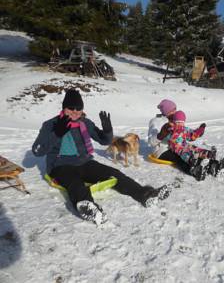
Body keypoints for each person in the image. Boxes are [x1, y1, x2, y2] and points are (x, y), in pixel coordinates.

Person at [32, 89, 170, 225]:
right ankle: (89, 208)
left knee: (114, 173)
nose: (75, 111)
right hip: (60, 165)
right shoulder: (51, 124)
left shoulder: (85, 123)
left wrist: (108, 130)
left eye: (78, 108)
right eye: (71, 108)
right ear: (64, 108)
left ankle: (145, 195)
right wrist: (56, 133)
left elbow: (104, 140)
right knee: (76, 184)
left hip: (84, 162)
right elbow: (38, 150)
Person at [167, 110, 224, 181]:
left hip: (186, 146)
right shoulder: (172, 131)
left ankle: (214, 164)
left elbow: (192, 135)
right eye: (178, 122)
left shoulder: (184, 129)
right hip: (179, 149)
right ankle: (196, 168)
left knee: (198, 150)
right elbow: (172, 141)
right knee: (188, 154)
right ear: (174, 122)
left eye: (182, 122)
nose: (181, 124)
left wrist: (199, 130)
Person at [147, 99, 191, 174]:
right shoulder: (156, 121)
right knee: (180, 157)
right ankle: (192, 170)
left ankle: (204, 163)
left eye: (175, 109)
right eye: (172, 110)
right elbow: (151, 142)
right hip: (162, 150)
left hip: (175, 146)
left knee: (190, 151)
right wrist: (161, 134)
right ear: (167, 112)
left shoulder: (175, 120)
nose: (175, 112)